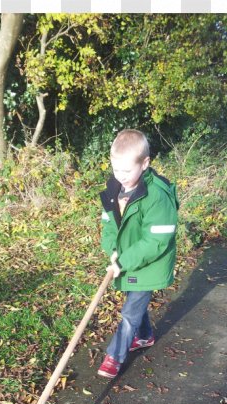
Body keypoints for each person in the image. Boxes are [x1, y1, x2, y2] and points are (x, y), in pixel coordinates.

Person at [97, 129, 179, 379]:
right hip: (128, 260)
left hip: (149, 263)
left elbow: (156, 240)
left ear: (145, 164)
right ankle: (144, 337)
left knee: (131, 311)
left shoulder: (157, 196)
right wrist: (112, 250)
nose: (120, 177)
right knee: (135, 303)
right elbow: (108, 224)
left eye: (126, 171)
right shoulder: (115, 189)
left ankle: (114, 356)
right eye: (116, 170)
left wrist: (124, 260)